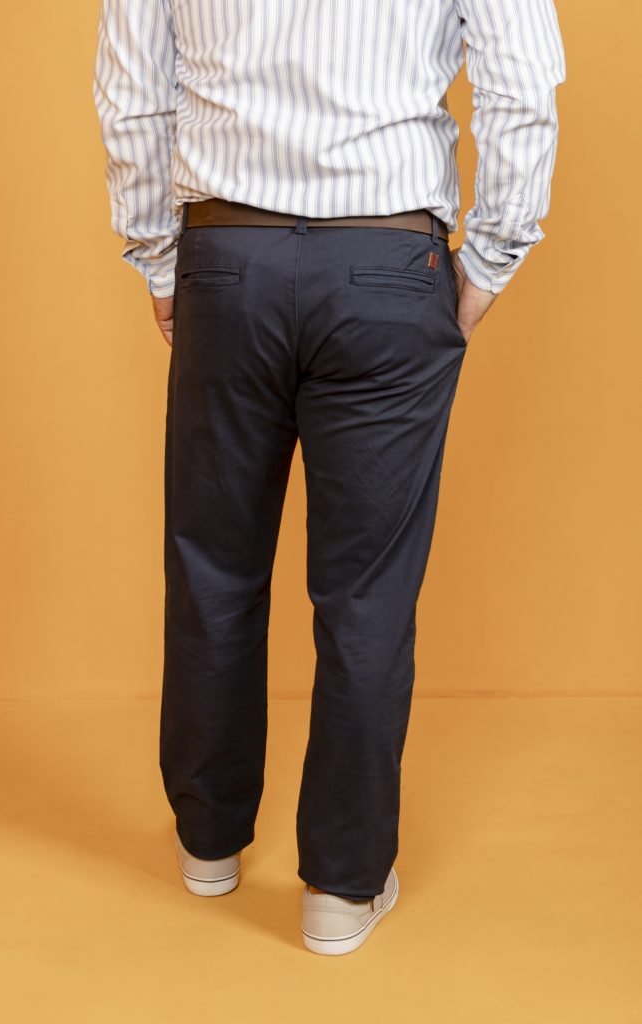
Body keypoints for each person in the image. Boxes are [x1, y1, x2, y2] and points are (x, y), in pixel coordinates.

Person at [93, 0, 566, 956]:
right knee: (367, 593)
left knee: (213, 565)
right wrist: (486, 263)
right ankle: (342, 889)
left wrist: (158, 258)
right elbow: (521, 90)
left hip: (227, 256)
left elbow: (132, 93)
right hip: (387, 263)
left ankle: (208, 843)